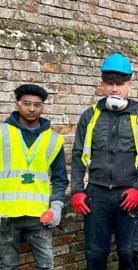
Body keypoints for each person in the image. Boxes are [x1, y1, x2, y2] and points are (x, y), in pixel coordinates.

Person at [70, 52, 138, 270]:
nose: (114, 89)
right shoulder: (89, 116)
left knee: (128, 253)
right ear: (102, 83)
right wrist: (77, 190)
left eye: (119, 83)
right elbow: (77, 154)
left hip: (128, 195)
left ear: (129, 83)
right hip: (96, 195)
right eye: (109, 83)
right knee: (95, 253)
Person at [0, 84, 68, 269]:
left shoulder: (53, 139)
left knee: (45, 265)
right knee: (7, 266)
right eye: (26, 103)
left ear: (43, 107)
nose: (31, 108)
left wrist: (56, 207)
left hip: (40, 216)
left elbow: (60, 178)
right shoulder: (2, 133)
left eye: (37, 105)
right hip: (5, 214)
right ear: (17, 104)